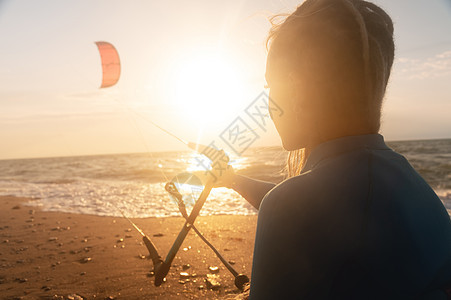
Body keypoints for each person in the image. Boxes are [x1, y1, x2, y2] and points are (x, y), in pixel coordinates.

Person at [218, 0, 451, 298]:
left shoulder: (291, 207)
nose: (268, 105)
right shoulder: (417, 193)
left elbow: (299, 209)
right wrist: (232, 179)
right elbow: (323, 210)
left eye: (270, 87)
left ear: (296, 88)